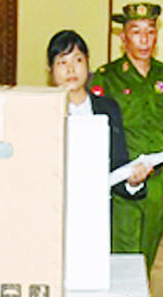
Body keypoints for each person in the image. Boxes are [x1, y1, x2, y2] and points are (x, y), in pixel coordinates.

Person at [90, 2, 163, 270]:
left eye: (150, 31)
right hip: (123, 181)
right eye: (136, 32)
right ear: (123, 38)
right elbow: (96, 131)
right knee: (124, 256)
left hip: (157, 180)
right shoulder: (108, 77)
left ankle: (143, 294)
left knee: (148, 251)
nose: (144, 40)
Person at [47, 29, 150, 211]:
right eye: (62, 62)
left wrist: (133, 181)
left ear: (87, 63)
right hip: (54, 207)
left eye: (78, 60)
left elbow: (118, 163)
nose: (71, 69)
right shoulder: (44, 112)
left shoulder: (108, 109)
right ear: (51, 70)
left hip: (96, 208)